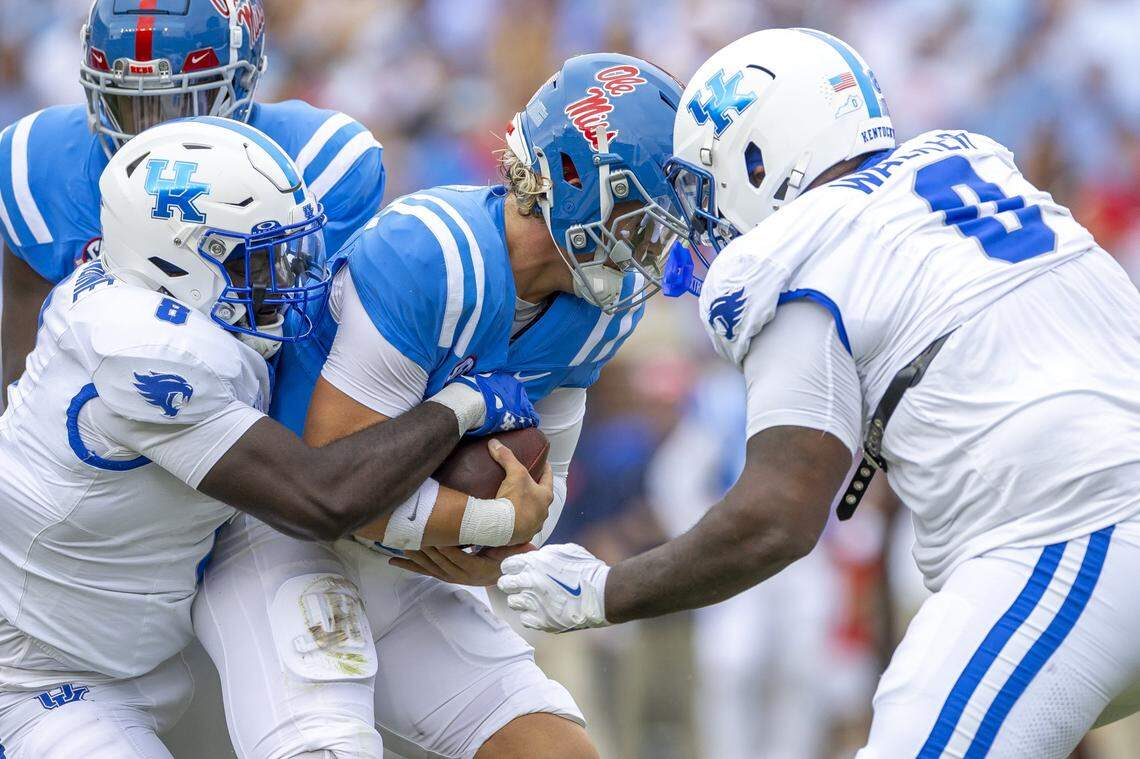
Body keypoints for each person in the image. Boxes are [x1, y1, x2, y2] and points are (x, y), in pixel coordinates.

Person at [498, 28, 1140, 758]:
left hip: (1070, 528)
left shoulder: (798, 248)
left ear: (758, 156)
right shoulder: (975, 168)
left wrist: (605, 591)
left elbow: (778, 517)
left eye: (706, 185)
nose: (707, 218)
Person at [0, 117, 546, 759]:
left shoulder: (154, 299)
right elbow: (322, 499)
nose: (288, 276)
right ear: (178, 257)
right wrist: (466, 400)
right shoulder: (145, 349)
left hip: (135, 640)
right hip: (41, 675)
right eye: (259, 257)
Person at [193, 53, 689, 759]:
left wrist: (503, 547)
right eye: (645, 218)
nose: (658, 246)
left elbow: (540, 497)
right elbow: (336, 490)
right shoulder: (432, 251)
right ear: (577, 181)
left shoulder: (600, 313)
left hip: (411, 563)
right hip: (283, 535)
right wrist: (491, 520)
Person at [0, 0, 383, 394]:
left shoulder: (316, 159)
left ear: (242, 84)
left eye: (178, 104)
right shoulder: (35, 165)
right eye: (127, 102)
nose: (152, 131)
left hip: (254, 411)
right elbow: (25, 378)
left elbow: (315, 363)